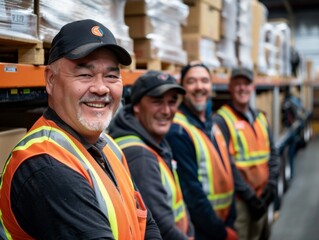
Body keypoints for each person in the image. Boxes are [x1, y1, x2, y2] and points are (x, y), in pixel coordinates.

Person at [0, 19, 162, 240]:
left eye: (111, 75)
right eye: (85, 74)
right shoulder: (46, 166)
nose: (101, 88)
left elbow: (146, 224)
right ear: (50, 80)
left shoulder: (109, 147)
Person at [108, 70, 194, 240]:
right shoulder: (140, 156)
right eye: (157, 102)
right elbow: (162, 227)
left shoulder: (152, 140)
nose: (166, 110)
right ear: (137, 106)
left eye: (172, 102)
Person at [165, 61, 238, 240]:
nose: (199, 87)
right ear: (182, 88)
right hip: (203, 231)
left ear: (211, 86)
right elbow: (191, 193)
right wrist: (221, 232)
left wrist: (230, 219)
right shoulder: (178, 130)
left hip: (222, 222)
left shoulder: (211, 124)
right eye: (192, 81)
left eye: (204, 81)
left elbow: (227, 170)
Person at [214, 67, 280, 240]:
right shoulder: (222, 120)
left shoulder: (261, 117)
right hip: (240, 201)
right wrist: (249, 196)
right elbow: (227, 164)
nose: (242, 88)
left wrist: (272, 184)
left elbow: (273, 153)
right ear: (230, 87)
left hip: (262, 196)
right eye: (237, 84)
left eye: (246, 84)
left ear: (252, 87)